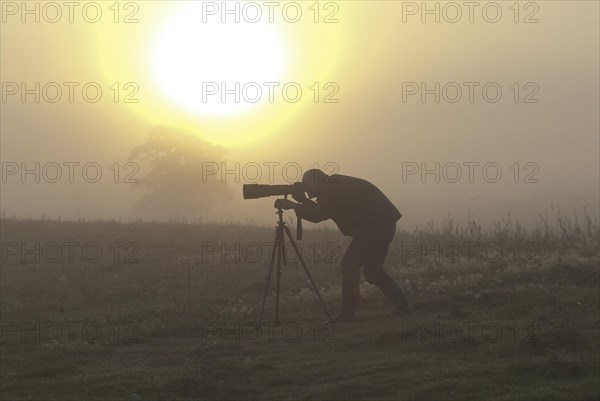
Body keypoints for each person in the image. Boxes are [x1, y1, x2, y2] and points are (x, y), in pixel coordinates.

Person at [279, 169, 411, 322]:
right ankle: (403, 307)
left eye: (306, 184)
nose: (305, 188)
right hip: (382, 223)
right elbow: (322, 209)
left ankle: (348, 314)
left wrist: (293, 206)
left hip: (375, 225)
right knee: (373, 271)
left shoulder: (331, 187)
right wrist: (302, 202)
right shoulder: (332, 185)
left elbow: (318, 215)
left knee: (350, 265)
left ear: (316, 181)